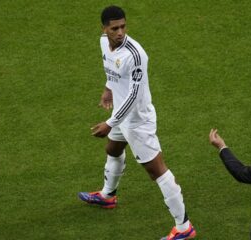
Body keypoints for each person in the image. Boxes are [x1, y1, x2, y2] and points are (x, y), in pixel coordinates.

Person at [78, 6, 196, 240]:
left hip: (137, 121)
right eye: (114, 28)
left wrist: (110, 123)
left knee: (157, 171)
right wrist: (108, 89)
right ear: (104, 29)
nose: (120, 32)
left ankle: (184, 228)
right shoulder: (104, 42)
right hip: (122, 117)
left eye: (123, 27)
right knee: (112, 149)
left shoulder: (136, 54)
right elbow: (111, 69)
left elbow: (133, 95)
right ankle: (108, 195)